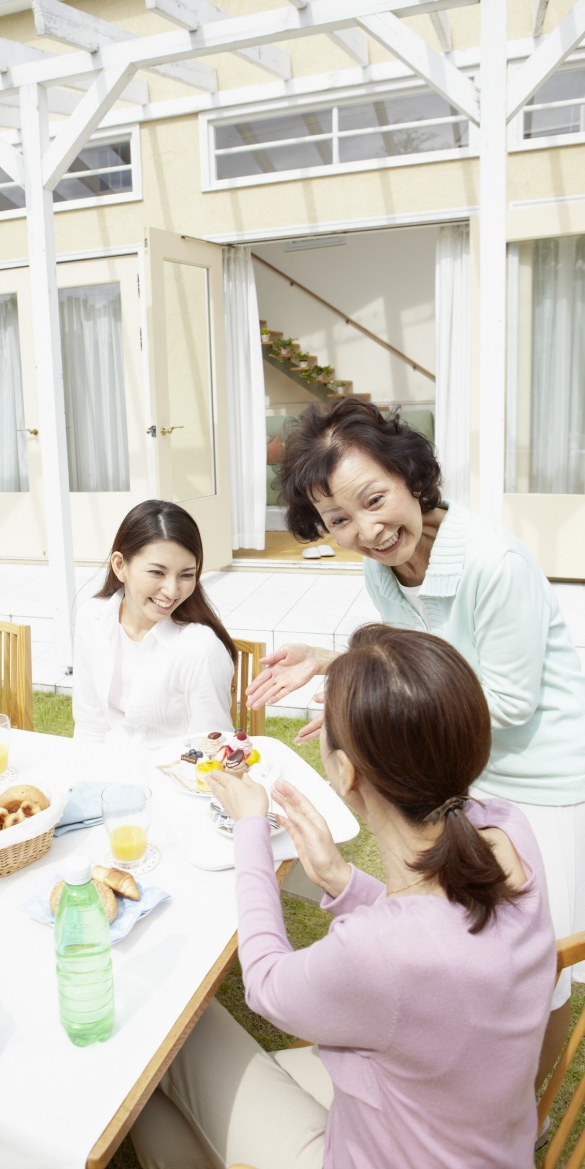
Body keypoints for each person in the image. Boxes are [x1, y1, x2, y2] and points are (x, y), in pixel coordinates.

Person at [245, 397, 585, 1083]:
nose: (368, 529)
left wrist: (384, 716)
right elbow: (424, 663)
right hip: (468, 766)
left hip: (549, 780)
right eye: (339, 519)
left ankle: (520, 1110)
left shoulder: (493, 563)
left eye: (375, 499)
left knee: (535, 964)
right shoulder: (384, 570)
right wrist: (339, 669)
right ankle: (465, 1081)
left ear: (410, 476)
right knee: (464, 936)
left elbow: (511, 704)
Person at [131, 626, 557, 1169]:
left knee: (173, 1027)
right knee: (161, 1093)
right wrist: (343, 882)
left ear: (345, 774)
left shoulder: (378, 950)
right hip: (470, 1130)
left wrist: (250, 829)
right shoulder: (508, 829)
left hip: (376, 1151)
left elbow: (265, 983)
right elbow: (435, 937)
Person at [72, 500, 236, 749]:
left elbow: (210, 748)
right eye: (157, 572)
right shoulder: (91, 619)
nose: (171, 591)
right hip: (107, 773)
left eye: (186, 575)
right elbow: (89, 726)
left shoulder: (201, 649)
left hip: (174, 779)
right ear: (120, 566)